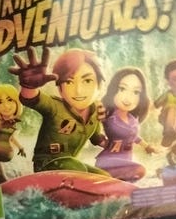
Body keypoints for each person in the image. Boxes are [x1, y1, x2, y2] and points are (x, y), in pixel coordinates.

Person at [9, 46, 109, 175]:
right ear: (60, 86)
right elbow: (32, 99)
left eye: (87, 81)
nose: (78, 91)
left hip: (71, 164)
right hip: (47, 164)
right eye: (69, 82)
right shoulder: (55, 106)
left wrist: (111, 143)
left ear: (99, 85)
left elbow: (96, 138)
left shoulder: (95, 111)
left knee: (104, 176)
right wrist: (29, 85)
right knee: (77, 168)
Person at [96, 68, 156, 182]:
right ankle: (104, 178)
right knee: (139, 170)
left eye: (136, 92)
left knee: (131, 177)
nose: (128, 98)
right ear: (114, 90)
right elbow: (93, 130)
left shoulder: (133, 119)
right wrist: (102, 142)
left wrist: (147, 147)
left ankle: (116, 184)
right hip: (109, 161)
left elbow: (134, 136)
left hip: (126, 161)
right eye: (122, 89)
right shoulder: (108, 116)